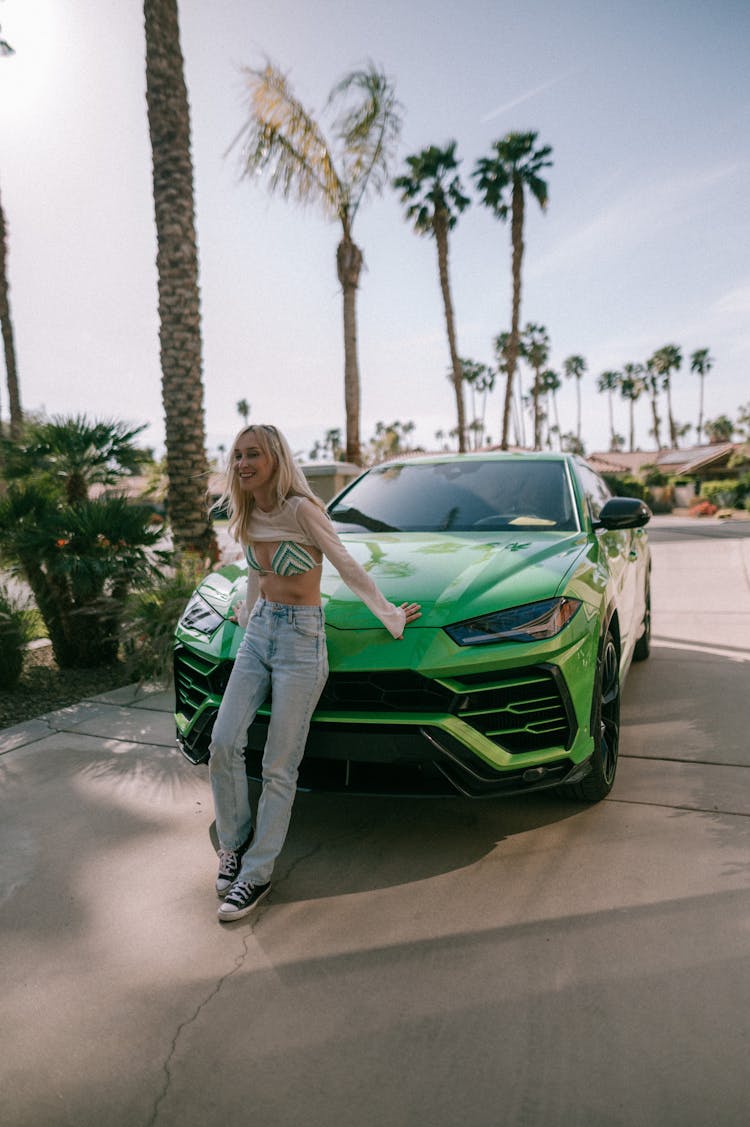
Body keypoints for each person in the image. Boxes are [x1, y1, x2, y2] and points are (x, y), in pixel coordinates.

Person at [208, 424, 421, 921]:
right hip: (259, 634)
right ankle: (234, 845)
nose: (242, 463)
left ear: (275, 458)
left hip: (302, 642)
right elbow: (255, 576)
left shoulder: (303, 510)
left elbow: (346, 564)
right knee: (223, 741)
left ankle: (256, 876)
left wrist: (389, 615)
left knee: (279, 766)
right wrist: (246, 616)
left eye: (253, 454)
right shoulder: (248, 512)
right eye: (237, 455)